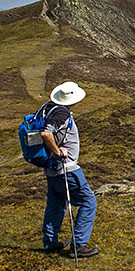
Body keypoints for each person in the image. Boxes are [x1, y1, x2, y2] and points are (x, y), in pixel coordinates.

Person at [40, 81, 99, 257]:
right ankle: (79, 245)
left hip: (52, 168)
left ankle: (50, 242)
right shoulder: (61, 113)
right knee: (89, 201)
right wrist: (58, 152)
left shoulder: (48, 108)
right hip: (66, 167)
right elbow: (46, 133)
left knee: (56, 202)